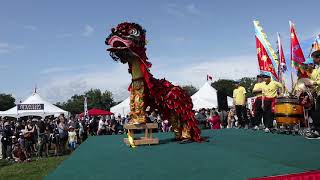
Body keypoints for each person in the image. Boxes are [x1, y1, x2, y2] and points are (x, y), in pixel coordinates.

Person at [306, 48, 320, 138]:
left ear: (319, 58)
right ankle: (317, 130)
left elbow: (316, 82)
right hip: (318, 94)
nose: (313, 60)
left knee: (317, 112)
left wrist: (314, 83)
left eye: (314, 58)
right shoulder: (316, 70)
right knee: (317, 112)